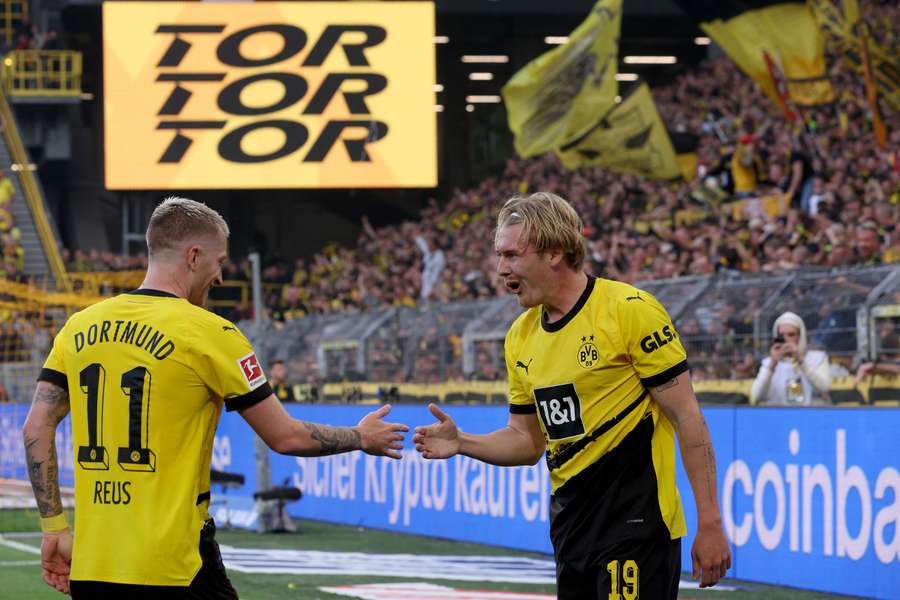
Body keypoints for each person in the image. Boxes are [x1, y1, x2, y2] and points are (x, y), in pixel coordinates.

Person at [22, 196, 408, 599]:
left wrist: (53, 528)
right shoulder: (210, 333)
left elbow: (36, 427)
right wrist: (360, 437)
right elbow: (287, 436)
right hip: (175, 566)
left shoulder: (78, 327)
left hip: (94, 565)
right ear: (193, 256)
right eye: (219, 261)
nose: (220, 276)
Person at [413, 192, 731, 599]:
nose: (500, 269)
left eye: (512, 255)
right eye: (499, 255)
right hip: (572, 531)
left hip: (637, 526)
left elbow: (688, 419)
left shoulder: (629, 310)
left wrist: (710, 522)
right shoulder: (520, 337)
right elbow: (527, 441)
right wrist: (463, 443)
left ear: (554, 252)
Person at [751, 311, 832, 406]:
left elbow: (824, 387)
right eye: (782, 335)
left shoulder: (817, 358)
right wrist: (772, 365)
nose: (786, 339)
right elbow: (757, 395)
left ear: (800, 336)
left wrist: (801, 361)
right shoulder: (768, 363)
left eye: (791, 335)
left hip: (809, 415)